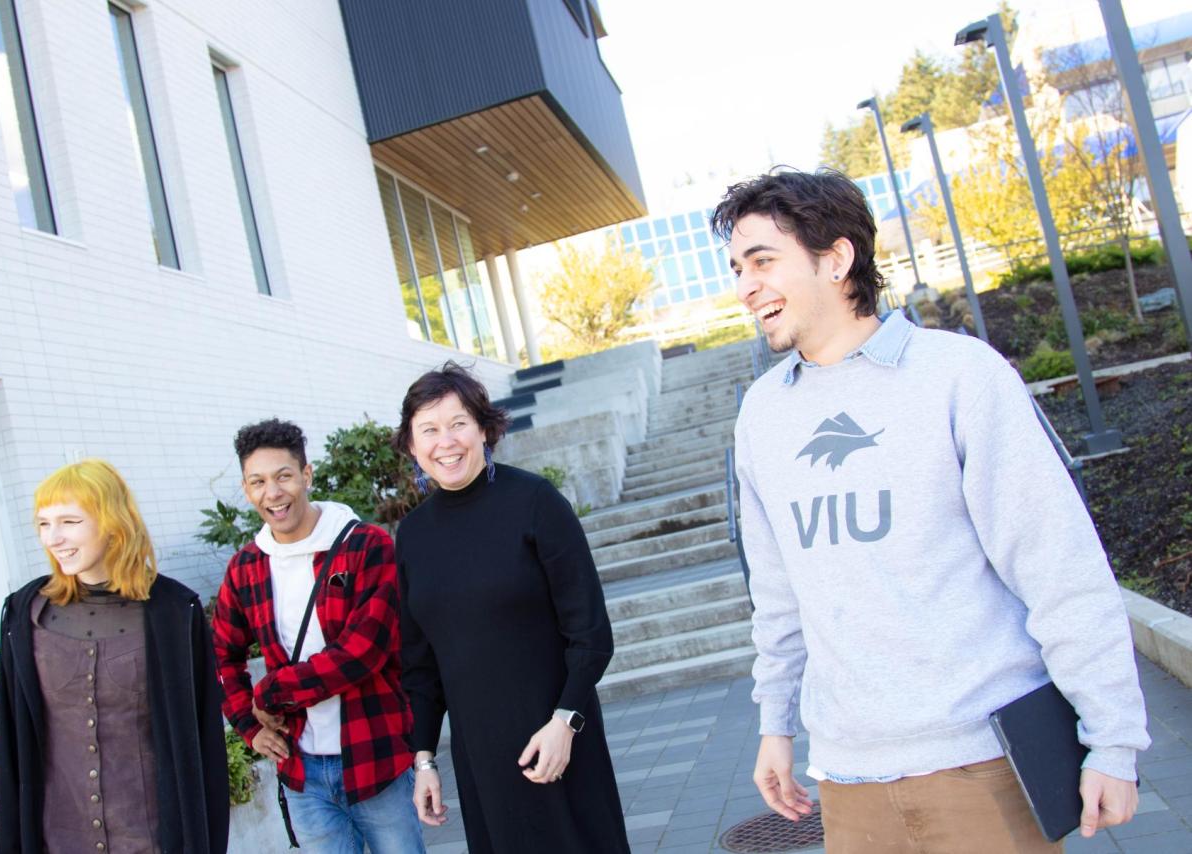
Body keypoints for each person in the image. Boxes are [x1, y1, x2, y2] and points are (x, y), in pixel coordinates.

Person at [713, 169, 1149, 852]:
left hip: (985, 764)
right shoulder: (761, 416)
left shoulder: (959, 375)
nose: (745, 286)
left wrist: (1113, 739)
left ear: (836, 258)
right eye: (738, 268)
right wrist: (776, 724)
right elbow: (777, 596)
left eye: (763, 261)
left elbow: (1057, 566)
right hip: (848, 779)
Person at [393, 362, 630, 853]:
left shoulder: (535, 501)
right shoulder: (412, 536)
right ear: (412, 446)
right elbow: (420, 667)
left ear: (483, 428)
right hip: (481, 762)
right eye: (429, 430)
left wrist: (566, 722)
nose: (445, 442)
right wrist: (424, 760)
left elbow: (590, 634)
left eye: (458, 423)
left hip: (559, 742)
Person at [0, 459, 229, 853]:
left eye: (69, 521)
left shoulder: (174, 613)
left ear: (112, 522)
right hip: (59, 842)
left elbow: (203, 746)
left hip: (151, 841)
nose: (53, 538)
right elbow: (11, 746)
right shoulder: (24, 614)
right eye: (43, 524)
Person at [212, 418, 423, 853]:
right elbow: (221, 655)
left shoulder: (366, 546)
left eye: (284, 476)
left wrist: (270, 693)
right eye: (258, 482)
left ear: (306, 475)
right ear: (247, 490)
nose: (273, 493)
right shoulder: (246, 567)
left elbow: (362, 653)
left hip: (375, 756)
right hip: (302, 773)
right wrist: (249, 726)